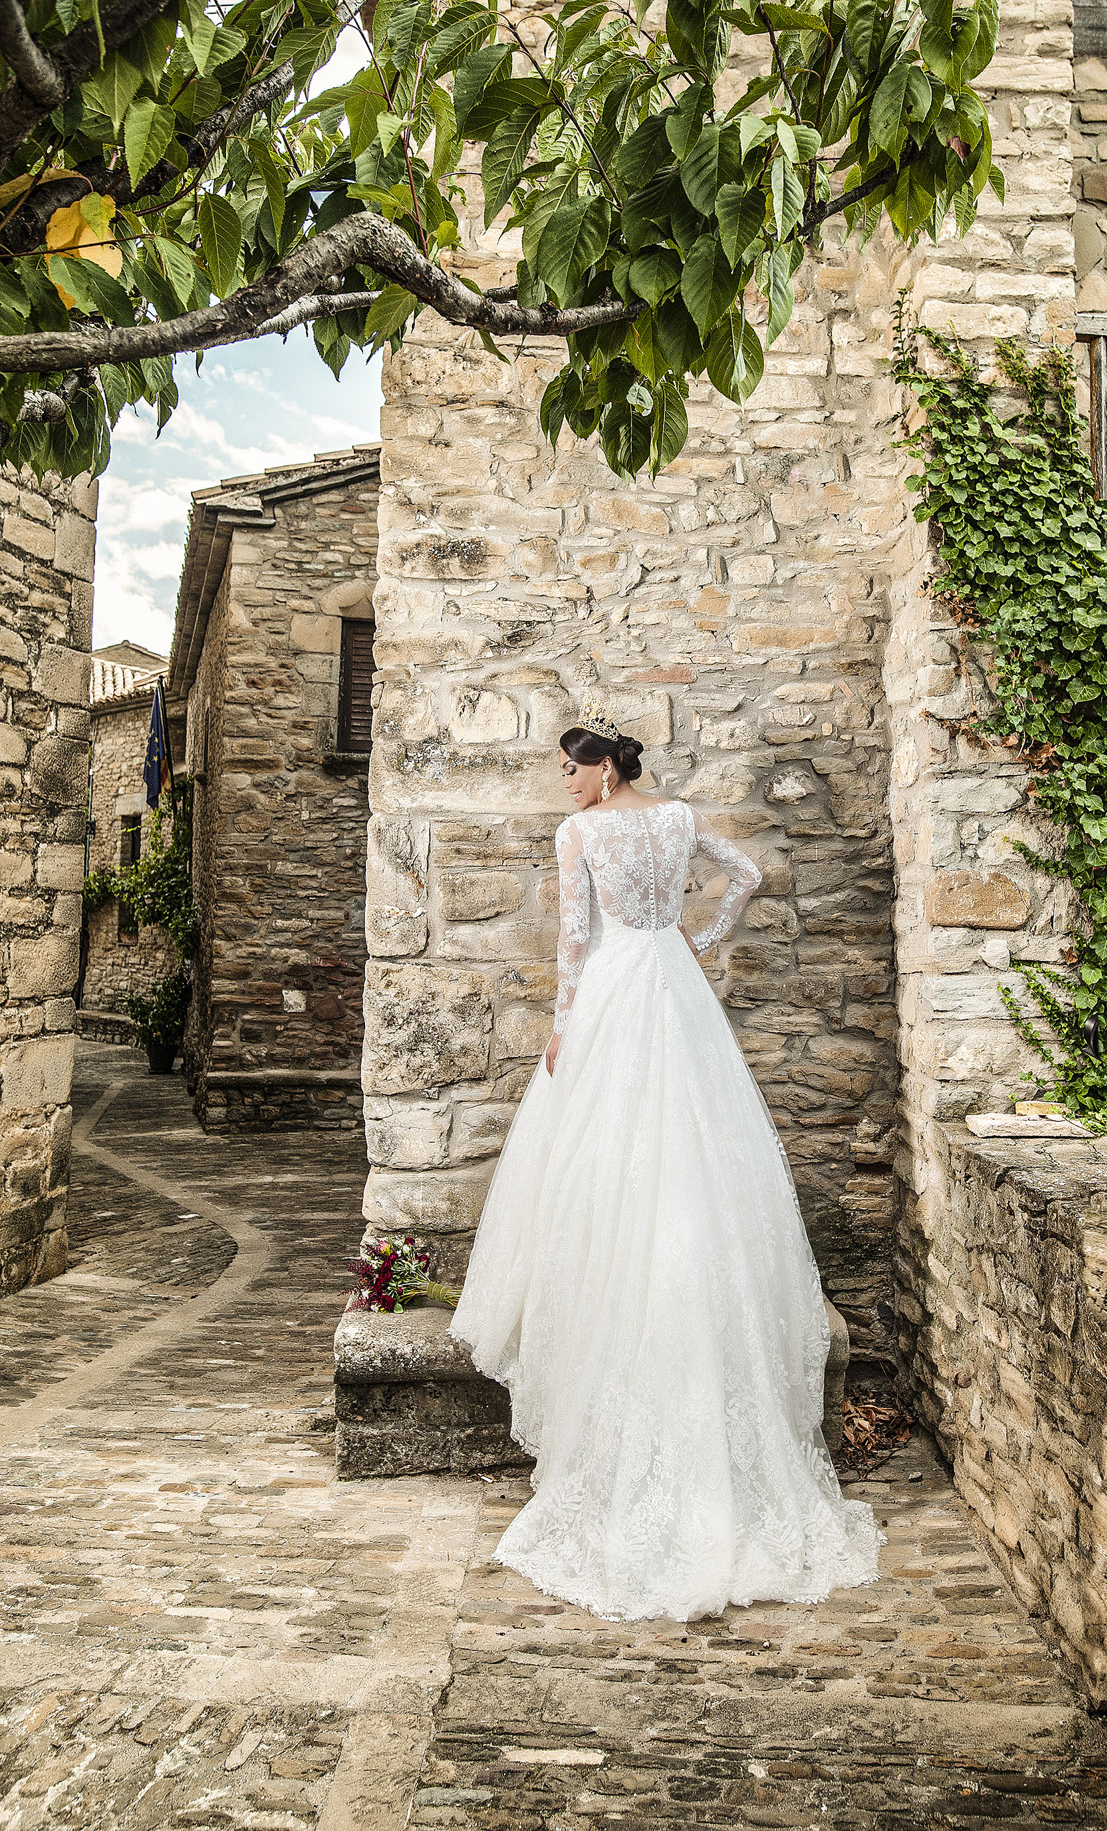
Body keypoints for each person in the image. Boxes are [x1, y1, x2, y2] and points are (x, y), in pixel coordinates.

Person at [447, 692, 882, 1622]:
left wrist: (562, 1030)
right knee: (694, 1150)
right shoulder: (681, 819)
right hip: (671, 982)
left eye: (570, 768)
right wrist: (700, 936)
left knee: (609, 1161)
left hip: (611, 989)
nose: (564, 784)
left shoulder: (585, 837)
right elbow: (751, 873)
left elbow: (573, 941)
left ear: (604, 767)